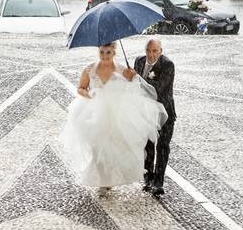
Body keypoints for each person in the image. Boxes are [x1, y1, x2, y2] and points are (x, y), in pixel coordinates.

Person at [60, 43, 167, 196]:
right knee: (97, 149)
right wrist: (89, 95)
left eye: (108, 52)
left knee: (113, 148)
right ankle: (103, 182)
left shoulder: (121, 69)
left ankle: (109, 178)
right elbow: (81, 88)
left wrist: (132, 78)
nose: (104, 56)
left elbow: (133, 88)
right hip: (93, 113)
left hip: (116, 114)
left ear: (114, 52)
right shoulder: (89, 69)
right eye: (101, 52)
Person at [133, 39, 176, 197]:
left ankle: (159, 182)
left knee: (163, 147)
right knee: (147, 146)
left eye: (154, 51)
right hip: (145, 112)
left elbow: (158, 89)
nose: (151, 55)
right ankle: (148, 177)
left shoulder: (168, 65)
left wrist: (137, 78)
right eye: (148, 50)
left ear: (160, 51)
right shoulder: (138, 61)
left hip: (165, 112)